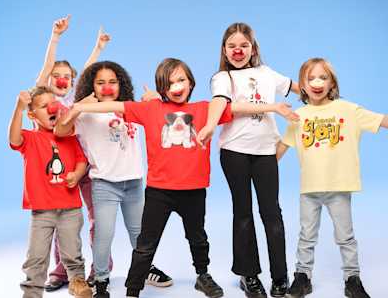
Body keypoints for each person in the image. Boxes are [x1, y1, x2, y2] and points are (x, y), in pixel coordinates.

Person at [62, 57, 299, 298]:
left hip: (194, 190)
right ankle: (132, 290)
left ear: (190, 83)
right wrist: (80, 107)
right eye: (169, 82)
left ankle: (202, 275)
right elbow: (116, 107)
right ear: (162, 88)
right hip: (159, 192)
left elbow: (237, 107)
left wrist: (273, 107)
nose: (176, 86)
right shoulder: (150, 109)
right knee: (145, 244)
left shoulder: (205, 109)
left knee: (198, 238)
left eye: (181, 80)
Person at [197, 22, 300, 298]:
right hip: (235, 152)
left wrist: (324, 94)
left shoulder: (267, 73)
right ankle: (249, 275)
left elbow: (298, 88)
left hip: (265, 151)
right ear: (224, 50)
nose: (238, 50)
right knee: (243, 213)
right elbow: (224, 104)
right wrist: (209, 125)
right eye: (232, 46)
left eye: (244, 45)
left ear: (253, 49)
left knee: (272, 213)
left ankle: (280, 277)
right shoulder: (222, 78)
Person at [55, 61, 173, 298]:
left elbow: (163, 118)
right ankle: (101, 279)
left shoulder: (129, 108)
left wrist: (156, 101)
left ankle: (144, 269)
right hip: (105, 184)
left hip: (134, 183)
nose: (107, 87)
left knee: (140, 233)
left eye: (112, 82)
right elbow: (60, 131)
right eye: (100, 83)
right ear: (92, 87)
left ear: (121, 85)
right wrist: (77, 108)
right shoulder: (86, 113)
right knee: (104, 234)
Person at [277, 57, 388, 298]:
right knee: (306, 235)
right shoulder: (299, 116)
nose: (317, 82)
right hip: (310, 189)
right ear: (302, 86)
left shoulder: (348, 110)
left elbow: (382, 120)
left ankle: (352, 278)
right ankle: (302, 277)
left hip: (339, 187)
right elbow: (280, 149)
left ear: (332, 84)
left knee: (345, 236)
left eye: (323, 77)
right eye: (311, 78)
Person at [36, 14, 113, 291]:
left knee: (96, 217)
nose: (61, 80)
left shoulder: (74, 98)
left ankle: (101, 266)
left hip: (87, 164)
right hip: (59, 167)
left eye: (67, 77)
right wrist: (55, 37)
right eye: (56, 76)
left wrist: (98, 48)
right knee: (62, 220)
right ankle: (63, 268)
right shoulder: (45, 99)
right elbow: (46, 70)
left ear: (73, 81)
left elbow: (89, 70)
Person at [8, 86, 91, 298]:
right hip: (42, 210)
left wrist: (76, 174)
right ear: (32, 115)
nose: (51, 108)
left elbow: (82, 161)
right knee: (36, 256)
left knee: (72, 251)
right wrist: (18, 108)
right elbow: (14, 138)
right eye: (44, 106)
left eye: (53, 104)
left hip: (70, 208)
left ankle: (77, 281)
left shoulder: (70, 137)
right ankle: (32, 291)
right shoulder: (30, 138)